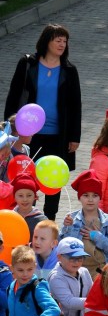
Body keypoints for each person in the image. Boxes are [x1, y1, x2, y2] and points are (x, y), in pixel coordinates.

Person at [3, 24, 82, 220]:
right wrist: (9, 129)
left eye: (65, 41)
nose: (62, 44)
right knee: (27, 176)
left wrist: (75, 136)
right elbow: (13, 95)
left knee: (53, 179)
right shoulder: (28, 64)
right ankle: (28, 216)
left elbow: (75, 105)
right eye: (58, 40)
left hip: (58, 133)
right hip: (29, 133)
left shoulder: (69, 70)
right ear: (47, 41)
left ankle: (51, 219)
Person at [60, 169, 108, 279]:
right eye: (86, 195)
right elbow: (61, 247)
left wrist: (98, 237)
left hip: (102, 273)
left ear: (100, 197)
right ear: (79, 198)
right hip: (76, 272)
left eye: (95, 195)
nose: (90, 200)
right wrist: (66, 228)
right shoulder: (72, 219)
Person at [12, 174, 47, 240]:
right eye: (20, 195)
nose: (25, 199)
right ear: (14, 197)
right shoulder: (10, 217)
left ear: (35, 197)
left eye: (29, 195)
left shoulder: (41, 220)